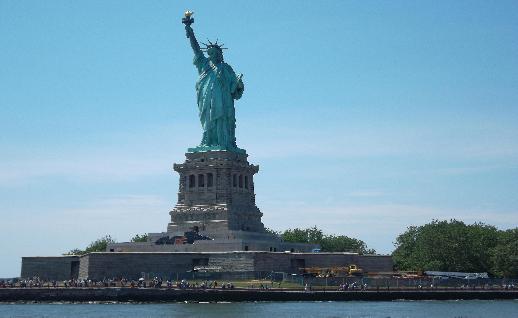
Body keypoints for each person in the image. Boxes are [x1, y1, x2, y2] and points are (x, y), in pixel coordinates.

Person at [184, 24, 244, 151]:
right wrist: (191, 33)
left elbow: (235, 89)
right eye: (209, 52)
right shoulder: (204, 65)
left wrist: (238, 83)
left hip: (223, 100)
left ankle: (223, 142)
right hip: (206, 100)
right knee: (208, 120)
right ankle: (207, 141)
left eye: (214, 53)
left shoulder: (226, 68)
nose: (211, 55)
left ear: (219, 54)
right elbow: (196, 50)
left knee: (221, 119)